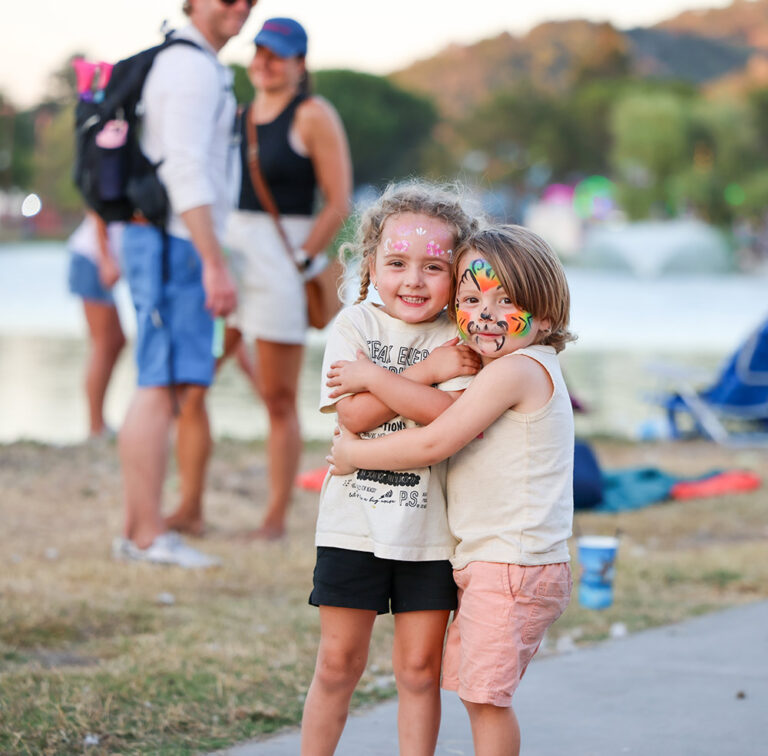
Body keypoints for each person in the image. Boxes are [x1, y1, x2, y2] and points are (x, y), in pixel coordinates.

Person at [328, 225, 576, 756]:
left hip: (512, 564)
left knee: (486, 701)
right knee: (475, 693)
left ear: (548, 315)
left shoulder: (516, 370)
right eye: (471, 298)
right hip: (495, 562)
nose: (485, 313)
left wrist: (354, 454)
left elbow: (433, 443)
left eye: (506, 299)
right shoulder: (510, 366)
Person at [300, 181, 482, 756]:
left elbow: (449, 419)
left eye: (434, 267)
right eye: (398, 263)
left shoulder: (464, 335)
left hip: (430, 536)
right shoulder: (354, 327)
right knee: (337, 664)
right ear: (371, 263)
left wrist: (380, 379)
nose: (413, 280)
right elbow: (351, 416)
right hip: (352, 528)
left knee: (420, 672)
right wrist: (424, 371)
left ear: (459, 274)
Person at [166, 16, 352, 540]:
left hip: (279, 260)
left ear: (299, 63)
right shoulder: (239, 114)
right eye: (260, 51)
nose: (265, 62)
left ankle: (274, 517)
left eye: (278, 53)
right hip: (230, 256)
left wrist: (301, 258)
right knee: (194, 384)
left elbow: (338, 201)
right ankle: (189, 507)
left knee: (276, 397)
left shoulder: (313, 114)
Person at [115, 0, 254, 567]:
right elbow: (185, 169)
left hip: (174, 240)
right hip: (177, 241)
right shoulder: (191, 68)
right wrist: (213, 261)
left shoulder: (196, 63)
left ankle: (136, 530)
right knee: (161, 384)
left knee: (164, 383)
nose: (241, 7)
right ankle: (149, 535)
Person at [67, 211, 126, 438]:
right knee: (104, 343)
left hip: (97, 261)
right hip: (91, 259)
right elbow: (98, 210)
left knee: (116, 341)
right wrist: (105, 259)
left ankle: (98, 423)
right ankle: (95, 427)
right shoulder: (110, 176)